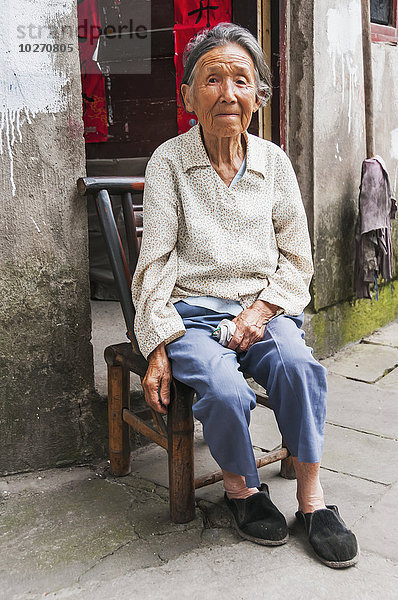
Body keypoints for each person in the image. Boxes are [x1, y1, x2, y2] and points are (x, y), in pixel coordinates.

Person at [132, 23, 358, 569]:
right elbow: (155, 262)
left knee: (301, 367)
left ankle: (310, 500)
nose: (227, 94)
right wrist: (157, 345)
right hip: (191, 310)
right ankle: (241, 490)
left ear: (259, 95)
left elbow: (298, 258)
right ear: (188, 94)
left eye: (241, 80)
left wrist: (261, 310)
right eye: (212, 80)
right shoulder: (169, 162)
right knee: (225, 390)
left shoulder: (274, 163)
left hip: (263, 306)